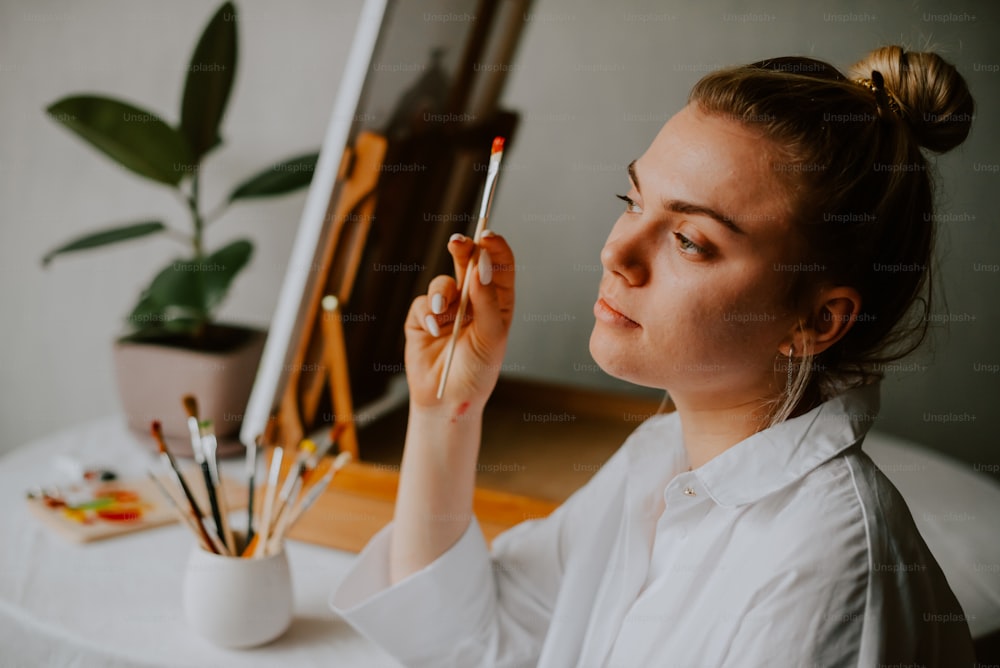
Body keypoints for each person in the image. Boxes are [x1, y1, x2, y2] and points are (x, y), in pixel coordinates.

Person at [331, 45, 976, 667]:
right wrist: (447, 409)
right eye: (632, 201)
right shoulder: (662, 459)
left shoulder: (827, 567)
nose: (616, 253)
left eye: (690, 240)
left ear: (817, 320)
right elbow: (471, 639)